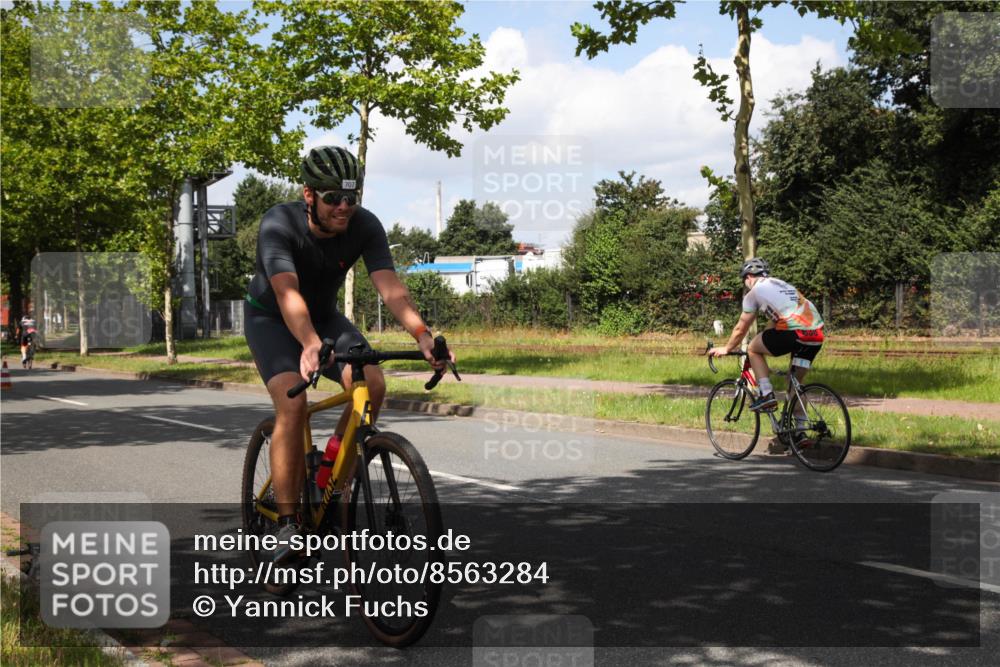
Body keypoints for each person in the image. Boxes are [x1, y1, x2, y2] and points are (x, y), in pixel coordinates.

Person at [244, 146, 451, 562]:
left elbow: (391, 288)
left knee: (372, 382)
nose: (343, 207)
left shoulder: (365, 225)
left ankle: (330, 479)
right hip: (272, 320)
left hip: (324, 318)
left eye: (351, 197)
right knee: (293, 403)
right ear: (308, 195)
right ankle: (286, 524)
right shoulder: (278, 224)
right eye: (333, 198)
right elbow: (287, 293)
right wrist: (308, 343)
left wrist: (422, 335)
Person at [709, 258, 824, 449]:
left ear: (748, 277)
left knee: (752, 348)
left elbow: (741, 328)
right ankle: (800, 432)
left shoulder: (753, 293)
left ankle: (767, 394)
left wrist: (727, 348)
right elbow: (773, 323)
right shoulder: (780, 284)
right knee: (794, 385)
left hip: (793, 333)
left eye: (744, 280)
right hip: (815, 336)